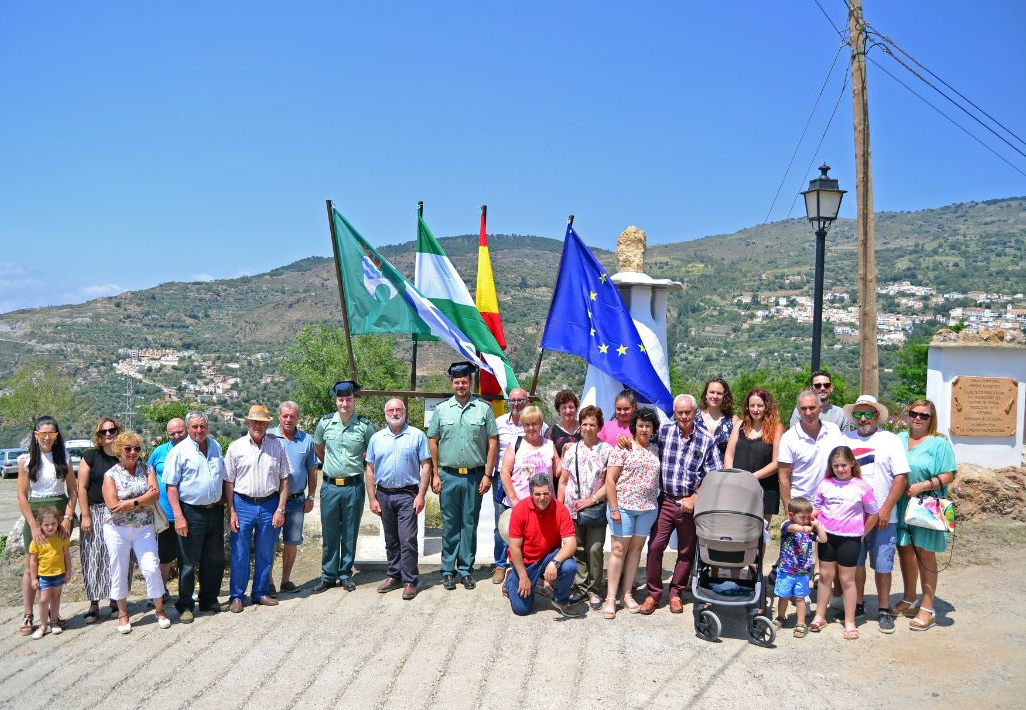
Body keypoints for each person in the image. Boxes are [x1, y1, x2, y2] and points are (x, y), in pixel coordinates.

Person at [639, 394, 723, 615]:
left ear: (695, 412)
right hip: (666, 499)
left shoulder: (706, 440)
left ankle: (676, 592)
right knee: (656, 546)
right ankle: (654, 593)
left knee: (686, 550)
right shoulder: (664, 433)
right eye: (679, 412)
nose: (684, 416)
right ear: (674, 413)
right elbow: (643, 443)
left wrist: (695, 497)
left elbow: (714, 475)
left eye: (688, 412)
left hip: (691, 503)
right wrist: (626, 440)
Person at [842, 395, 910, 633]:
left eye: (868, 414)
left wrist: (886, 509)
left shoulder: (890, 440)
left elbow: (901, 477)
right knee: (856, 565)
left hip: (883, 517)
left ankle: (883, 609)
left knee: (883, 565)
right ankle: (858, 604)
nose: (863, 419)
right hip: (852, 519)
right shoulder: (845, 439)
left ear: (877, 416)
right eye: (858, 414)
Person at [428, 362, 498, 591]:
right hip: (448, 476)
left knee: (469, 523)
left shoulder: (483, 409)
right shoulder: (441, 410)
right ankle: (448, 570)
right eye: (457, 382)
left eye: (465, 381)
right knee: (449, 524)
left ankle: (466, 569)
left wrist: (488, 474)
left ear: (471, 382)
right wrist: (435, 474)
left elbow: (492, 441)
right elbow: (433, 441)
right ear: (452, 383)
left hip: (474, 476)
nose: (461, 385)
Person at [892, 399, 957, 632]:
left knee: (925, 554)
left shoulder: (939, 444)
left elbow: (950, 473)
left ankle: (928, 608)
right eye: (913, 413)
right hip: (900, 504)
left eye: (924, 415)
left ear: (932, 419)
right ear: (908, 415)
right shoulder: (898, 438)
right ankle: (910, 599)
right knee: (905, 551)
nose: (918, 418)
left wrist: (922, 486)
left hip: (925, 505)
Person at [224, 405, 292, 612]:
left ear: (267, 425)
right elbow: (228, 482)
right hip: (243, 504)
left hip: (269, 504)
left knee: (265, 552)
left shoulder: (277, 446)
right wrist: (232, 511)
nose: (258, 426)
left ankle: (260, 592)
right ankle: (236, 596)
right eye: (254, 422)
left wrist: (280, 509)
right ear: (247, 423)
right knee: (240, 552)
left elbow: (284, 479)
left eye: (262, 423)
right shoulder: (236, 447)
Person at [102, 431, 171, 633]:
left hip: (144, 528)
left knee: (151, 567)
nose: (133, 452)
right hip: (117, 530)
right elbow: (113, 506)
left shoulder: (146, 468)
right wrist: (143, 500)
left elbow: (155, 494)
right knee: (119, 570)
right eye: (128, 449)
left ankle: (159, 610)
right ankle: (123, 614)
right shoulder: (110, 475)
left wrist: (130, 503)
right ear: (119, 450)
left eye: (137, 448)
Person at [808, 446, 879, 639]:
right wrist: (807, 520)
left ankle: (850, 622)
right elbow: (816, 508)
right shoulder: (825, 484)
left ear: (852, 464)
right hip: (827, 537)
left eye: (844, 465)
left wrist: (863, 533)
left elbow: (873, 513)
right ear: (831, 467)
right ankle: (820, 616)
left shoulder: (862, 486)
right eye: (836, 465)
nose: (840, 469)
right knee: (824, 576)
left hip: (850, 539)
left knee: (847, 580)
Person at [163, 411, 227, 623]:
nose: (199, 430)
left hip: (215, 511)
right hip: (190, 512)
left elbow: (223, 478)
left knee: (214, 558)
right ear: (188, 429)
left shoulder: (216, 446)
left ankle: (208, 599)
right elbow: (171, 487)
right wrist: (178, 516)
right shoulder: (179, 452)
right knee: (188, 561)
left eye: (202, 426)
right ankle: (185, 606)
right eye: (194, 427)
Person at [365, 399, 432, 601]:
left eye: (398, 409)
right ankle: (394, 575)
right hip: (384, 494)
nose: (395, 413)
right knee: (391, 539)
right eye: (390, 410)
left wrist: (421, 495)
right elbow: (370, 469)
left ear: (405, 411)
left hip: (408, 494)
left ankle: (410, 579)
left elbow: (426, 466)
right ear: (385, 413)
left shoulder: (417, 435)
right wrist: (372, 498)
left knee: (407, 538)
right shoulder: (376, 438)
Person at [17, 416, 77, 637]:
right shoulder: (26, 460)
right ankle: (28, 614)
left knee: (57, 561)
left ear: (56, 435)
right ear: (36, 435)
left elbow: (73, 490)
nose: (47, 437)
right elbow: (22, 496)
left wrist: (68, 517)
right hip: (36, 513)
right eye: (43, 433)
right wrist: (33, 525)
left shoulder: (65, 458)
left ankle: (53, 616)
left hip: (60, 512)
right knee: (32, 563)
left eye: (51, 433)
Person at [313, 380, 375, 593]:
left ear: (354, 400)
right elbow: (319, 448)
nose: (345, 404)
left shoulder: (364, 426)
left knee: (350, 531)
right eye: (341, 399)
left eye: (348, 399)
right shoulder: (325, 423)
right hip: (330, 486)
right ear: (336, 400)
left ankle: (346, 573)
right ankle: (328, 575)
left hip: (353, 486)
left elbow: (372, 453)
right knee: (330, 532)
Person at [602, 407, 662, 619]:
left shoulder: (656, 449)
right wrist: (614, 507)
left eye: (648, 426)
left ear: (653, 428)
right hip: (624, 508)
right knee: (618, 550)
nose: (644, 429)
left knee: (636, 550)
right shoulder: (622, 448)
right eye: (641, 425)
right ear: (634, 426)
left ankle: (626, 594)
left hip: (647, 509)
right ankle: (610, 597)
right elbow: (610, 480)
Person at [504, 474, 585, 617]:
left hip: (549, 555)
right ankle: (511, 578)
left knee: (570, 567)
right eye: (538, 494)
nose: (542, 497)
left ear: (551, 492)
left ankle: (560, 599)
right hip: (526, 561)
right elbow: (514, 548)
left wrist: (555, 562)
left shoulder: (560, 509)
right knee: (522, 609)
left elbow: (571, 543)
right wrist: (523, 576)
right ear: (531, 494)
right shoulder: (520, 510)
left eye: (546, 493)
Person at [557, 405, 613, 608]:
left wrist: (592, 500)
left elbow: (610, 483)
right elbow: (563, 480)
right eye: (584, 424)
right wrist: (560, 507)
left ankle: (596, 589)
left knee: (595, 549)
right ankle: (581, 587)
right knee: (578, 549)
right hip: (572, 510)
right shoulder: (571, 450)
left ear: (599, 427)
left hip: (596, 509)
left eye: (592, 424)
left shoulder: (608, 450)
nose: (588, 428)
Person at [491, 388, 546, 584]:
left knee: (531, 529)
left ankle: (527, 566)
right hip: (503, 479)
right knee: (503, 525)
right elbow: (491, 449)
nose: (516, 404)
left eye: (520, 400)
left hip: (533, 486)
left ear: (526, 401)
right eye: (512, 400)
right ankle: (500, 565)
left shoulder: (542, 426)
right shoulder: (498, 423)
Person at [268, 401, 319, 594]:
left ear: (297, 417)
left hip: (297, 500)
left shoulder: (307, 440)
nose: (288, 419)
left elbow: (312, 470)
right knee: (270, 542)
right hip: (272, 500)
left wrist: (311, 497)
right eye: (285, 415)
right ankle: (269, 581)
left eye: (292, 416)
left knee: (292, 541)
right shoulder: (270, 436)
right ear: (279, 416)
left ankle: (286, 581)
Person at [77, 417, 123, 623]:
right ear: (98, 435)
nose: (108, 434)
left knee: (117, 556)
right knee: (93, 556)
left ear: (117, 431)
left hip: (118, 512)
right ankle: (94, 603)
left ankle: (115, 600)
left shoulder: (124, 455)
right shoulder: (90, 457)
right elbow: (81, 488)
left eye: (111, 430)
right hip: (94, 512)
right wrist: (85, 515)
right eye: (103, 432)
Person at [778, 389, 844, 513]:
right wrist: (788, 512)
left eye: (812, 408)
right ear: (798, 410)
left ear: (820, 407)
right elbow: (783, 478)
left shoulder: (834, 431)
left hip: (831, 502)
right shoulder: (789, 438)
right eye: (803, 409)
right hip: (802, 505)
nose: (808, 412)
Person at [725, 388, 784, 524]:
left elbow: (776, 463)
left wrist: (751, 477)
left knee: (759, 534)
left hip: (765, 489)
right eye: (752, 405)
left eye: (760, 405)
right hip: (738, 486)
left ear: (767, 406)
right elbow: (729, 454)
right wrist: (731, 476)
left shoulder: (777, 428)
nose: (755, 409)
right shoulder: (739, 425)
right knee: (737, 529)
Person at [146, 418, 188, 600]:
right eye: (173, 433)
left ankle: (186, 593)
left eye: (180, 432)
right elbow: (148, 472)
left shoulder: (193, 449)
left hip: (188, 512)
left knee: (188, 556)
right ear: (167, 434)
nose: (177, 436)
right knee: (163, 556)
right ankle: (160, 592)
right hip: (164, 514)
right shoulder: (159, 451)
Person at [773, 497, 825, 638]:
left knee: (800, 598)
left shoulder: (809, 531)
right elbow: (793, 528)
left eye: (808, 517)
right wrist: (804, 528)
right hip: (786, 570)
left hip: (802, 572)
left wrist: (818, 526)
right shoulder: (787, 526)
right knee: (783, 596)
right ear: (791, 515)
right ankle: (781, 617)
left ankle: (800, 623)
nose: (806, 520)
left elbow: (824, 539)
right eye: (802, 517)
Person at [498, 405, 560, 514]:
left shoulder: (549, 445)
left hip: (545, 506)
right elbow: (504, 473)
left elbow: (558, 472)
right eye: (527, 424)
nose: (531, 428)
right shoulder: (514, 444)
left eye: (534, 424)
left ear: (541, 424)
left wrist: (565, 453)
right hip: (519, 505)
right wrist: (514, 501)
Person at [27, 506, 73, 640]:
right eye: (46, 525)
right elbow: (33, 561)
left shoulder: (62, 537)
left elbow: (66, 555)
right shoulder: (37, 540)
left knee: (56, 598)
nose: (50, 527)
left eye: (53, 524)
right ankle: (43, 625)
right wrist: (34, 578)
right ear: (40, 524)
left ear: (58, 522)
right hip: (44, 576)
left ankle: (54, 621)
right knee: (43, 600)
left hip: (59, 573)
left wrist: (68, 572)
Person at [697, 377, 740, 455]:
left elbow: (738, 450)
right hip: (696, 466)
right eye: (712, 392)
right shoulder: (694, 417)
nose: (715, 396)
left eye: (719, 393)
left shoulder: (733, 420)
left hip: (724, 466)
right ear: (706, 394)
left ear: (724, 397)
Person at [548, 388, 581, 457]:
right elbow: (554, 459)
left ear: (576, 408)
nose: (568, 411)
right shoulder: (551, 432)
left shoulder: (584, 428)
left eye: (571, 407)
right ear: (558, 410)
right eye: (564, 407)